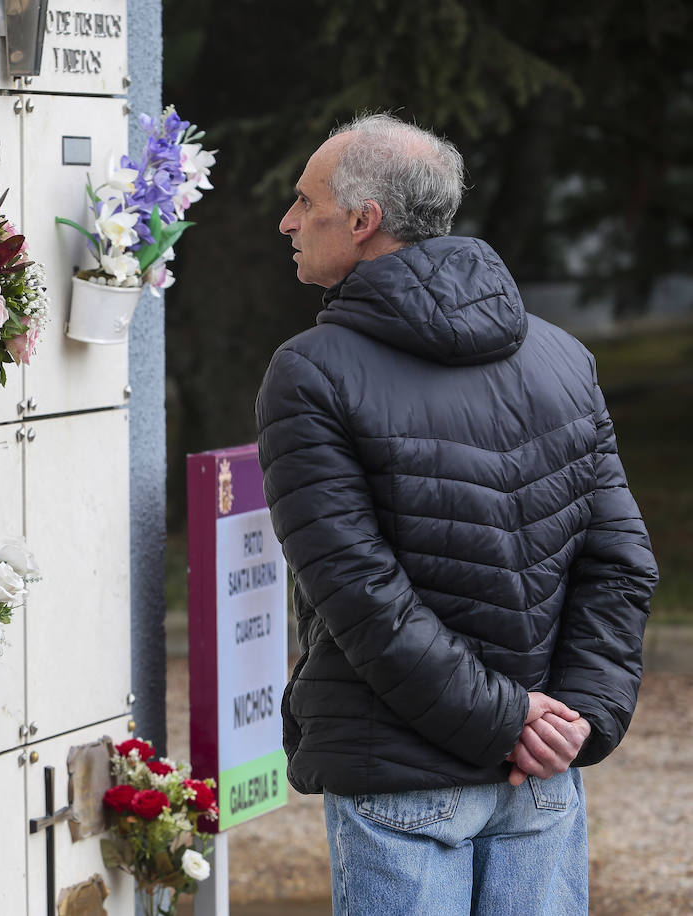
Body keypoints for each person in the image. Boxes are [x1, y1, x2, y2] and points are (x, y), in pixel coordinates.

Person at [255, 112, 658, 915]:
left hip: (408, 771)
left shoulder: (308, 374)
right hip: (539, 769)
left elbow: (359, 595)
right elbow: (620, 562)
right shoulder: (562, 356)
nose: (287, 222)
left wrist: (530, 721)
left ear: (364, 222)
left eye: (307, 202)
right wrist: (571, 717)